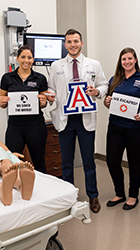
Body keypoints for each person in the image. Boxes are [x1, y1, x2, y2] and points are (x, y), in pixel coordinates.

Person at [47, 29, 108, 213]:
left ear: (81, 43)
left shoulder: (94, 64)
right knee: (66, 161)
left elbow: (103, 84)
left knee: (88, 160)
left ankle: (93, 196)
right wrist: (51, 97)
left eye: (76, 41)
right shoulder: (56, 66)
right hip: (65, 119)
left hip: (85, 119)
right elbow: (51, 88)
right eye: (69, 42)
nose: (73, 45)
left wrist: (97, 92)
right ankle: (69, 197)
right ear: (65, 44)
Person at [104, 48, 140, 210]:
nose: (127, 62)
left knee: (134, 162)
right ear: (121, 61)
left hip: (137, 128)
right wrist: (107, 102)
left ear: (136, 60)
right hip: (116, 127)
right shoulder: (115, 79)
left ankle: (133, 196)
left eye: (130, 58)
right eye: (124, 59)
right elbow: (108, 101)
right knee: (112, 161)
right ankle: (119, 193)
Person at [0, 45, 48, 173]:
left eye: (29, 57)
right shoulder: (7, 78)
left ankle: (44, 190)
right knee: (13, 161)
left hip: (36, 126)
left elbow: (44, 103)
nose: (26, 60)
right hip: (15, 127)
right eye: (23, 57)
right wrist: (1, 102)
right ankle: (16, 188)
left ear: (33, 60)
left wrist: (44, 102)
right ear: (17, 58)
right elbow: (2, 103)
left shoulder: (40, 78)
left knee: (39, 161)